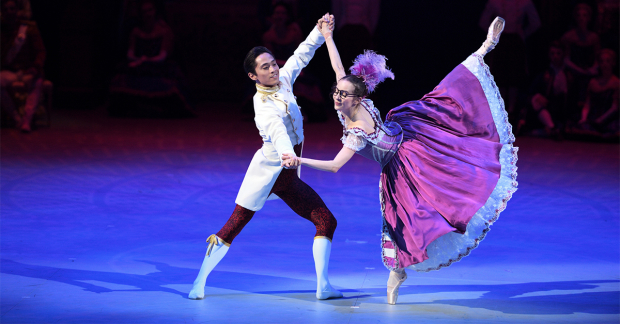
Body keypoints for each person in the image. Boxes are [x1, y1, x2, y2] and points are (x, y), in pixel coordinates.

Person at [283, 15, 518, 305]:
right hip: (397, 162)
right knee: (399, 222)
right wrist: (327, 36)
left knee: (445, 100)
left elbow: (333, 165)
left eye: (342, 94)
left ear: (357, 99)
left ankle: (484, 48)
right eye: (336, 92)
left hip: (410, 142)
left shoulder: (358, 126)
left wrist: (298, 160)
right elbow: (338, 70)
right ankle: (398, 271)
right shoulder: (352, 115)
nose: (336, 96)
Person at [188, 15, 343, 301]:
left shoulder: (282, 80)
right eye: (265, 67)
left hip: (287, 179)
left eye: (273, 63)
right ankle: (198, 282)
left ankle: (324, 287)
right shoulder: (262, 106)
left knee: (326, 221)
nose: (273, 69)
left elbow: (301, 54)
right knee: (231, 228)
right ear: (253, 76)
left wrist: (320, 31)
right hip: (269, 174)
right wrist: (288, 154)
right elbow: (276, 132)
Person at [0, 0, 45, 132]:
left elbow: (41, 51)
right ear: (2, 12)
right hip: (9, 71)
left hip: (27, 70)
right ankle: (16, 118)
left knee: (37, 81)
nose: (9, 12)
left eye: (12, 9)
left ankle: (27, 120)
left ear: (17, 11)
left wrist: (36, 67)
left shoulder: (28, 29)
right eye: (6, 9)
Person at [578, 49, 618, 135]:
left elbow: (615, 107)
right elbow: (587, 104)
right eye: (602, 61)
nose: (605, 64)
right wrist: (584, 118)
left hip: (609, 119)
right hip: (594, 118)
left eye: (608, 61)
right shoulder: (593, 82)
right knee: (582, 127)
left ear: (613, 63)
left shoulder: (617, 82)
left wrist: (601, 120)